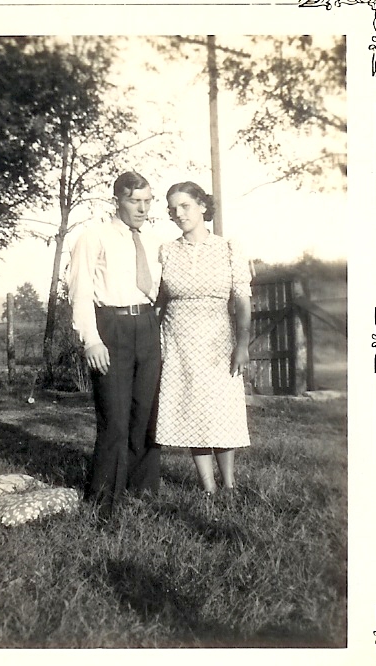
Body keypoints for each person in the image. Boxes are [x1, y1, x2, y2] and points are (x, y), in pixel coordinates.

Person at [68, 171, 162, 518]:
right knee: (115, 418)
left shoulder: (153, 241)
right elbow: (78, 292)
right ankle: (104, 501)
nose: (142, 208)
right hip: (112, 326)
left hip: (148, 326)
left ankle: (143, 493)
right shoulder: (94, 236)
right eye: (134, 201)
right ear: (116, 201)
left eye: (147, 201)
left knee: (146, 414)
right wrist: (91, 340)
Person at [155, 181, 252, 495]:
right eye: (173, 209)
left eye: (184, 206)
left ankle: (230, 484)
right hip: (178, 341)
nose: (178, 214)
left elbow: (241, 298)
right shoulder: (166, 251)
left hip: (217, 341)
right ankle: (208, 488)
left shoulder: (227, 248)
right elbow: (157, 300)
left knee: (221, 409)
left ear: (203, 207)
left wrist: (242, 343)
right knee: (192, 409)